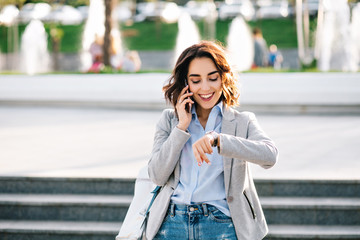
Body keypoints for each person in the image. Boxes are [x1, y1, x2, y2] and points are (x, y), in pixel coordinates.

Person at [146, 41, 278, 240]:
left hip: (221, 225)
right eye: (196, 80)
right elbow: (156, 175)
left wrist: (219, 140)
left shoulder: (242, 122)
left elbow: (270, 156)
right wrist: (181, 127)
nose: (205, 88)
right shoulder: (170, 120)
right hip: (172, 224)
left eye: (213, 78)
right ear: (186, 83)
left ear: (223, 78)